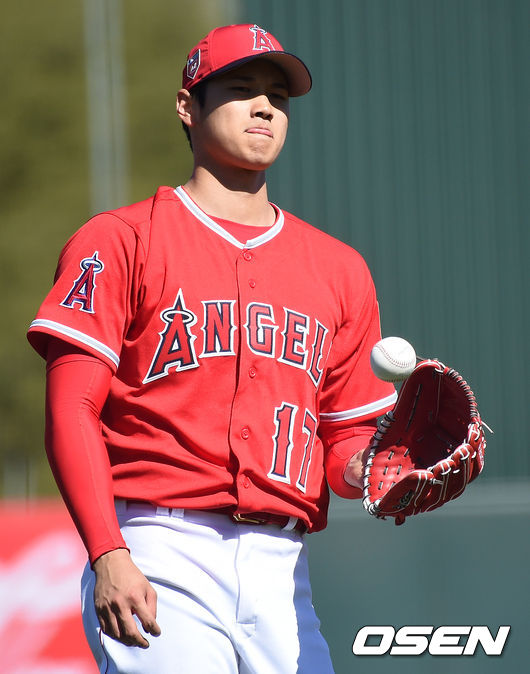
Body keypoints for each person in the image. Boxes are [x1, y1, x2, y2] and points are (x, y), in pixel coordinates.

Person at [28, 23, 397, 673]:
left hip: (283, 567)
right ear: (187, 106)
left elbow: (343, 443)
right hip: (158, 544)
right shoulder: (121, 240)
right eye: (241, 89)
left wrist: (384, 469)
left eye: (277, 96)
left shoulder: (340, 270)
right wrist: (108, 552)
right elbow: (71, 408)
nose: (264, 107)